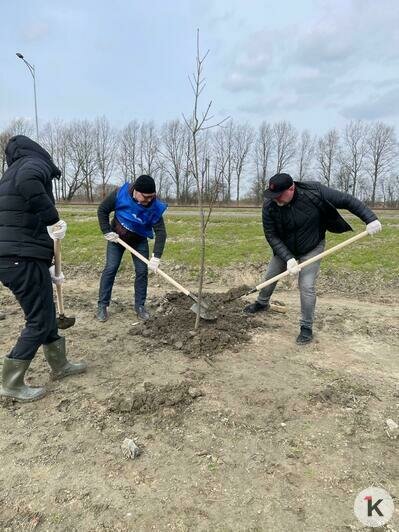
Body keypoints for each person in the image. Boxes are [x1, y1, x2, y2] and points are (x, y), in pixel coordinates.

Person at [244, 173, 382, 344]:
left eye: (279, 195)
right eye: (273, 195)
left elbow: (347, 200)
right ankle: (262, 303)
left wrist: (370, 219)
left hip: (312, 246)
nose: (275, 199)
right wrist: (288, 258)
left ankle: (306, 327)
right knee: (270, 276)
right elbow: (271, 236)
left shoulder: (314, 191)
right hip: (285, 248)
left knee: (307, 285)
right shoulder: (270, 206)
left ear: (291, 188)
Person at [0, 135, 87, 402]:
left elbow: (18, 218)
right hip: (20, 258)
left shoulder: (9, 174)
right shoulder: (32, 164)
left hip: (20, 257)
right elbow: (30, 184)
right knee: (38, 320)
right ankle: (11, 383)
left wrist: (46, 264)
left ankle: (60, 366)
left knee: (47, 313)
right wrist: (53, 219)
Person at [97, 175, 167, 321]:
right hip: (116, 238)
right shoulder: (120, 194)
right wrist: (106, 231)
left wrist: (156, 256)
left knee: (142, 271)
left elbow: (161, 232)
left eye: (151, 197)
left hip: (139, 241)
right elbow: (102, 210)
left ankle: (140, 306)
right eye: (146, 197)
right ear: (136, 191)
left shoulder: (154, 206)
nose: (149, 200)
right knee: (111, 268)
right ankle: (102, 306)